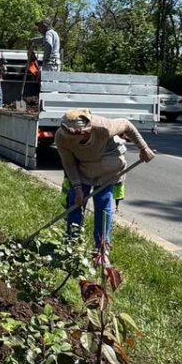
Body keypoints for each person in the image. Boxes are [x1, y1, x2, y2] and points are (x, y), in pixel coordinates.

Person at [54, 108, 155, 261]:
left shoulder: (102, 127)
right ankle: (71, 246)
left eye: (71, 137)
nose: (67, 140)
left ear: (84, 133)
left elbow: (126, 124)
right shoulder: (61, 138)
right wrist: (77, 187)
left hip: (108, 167)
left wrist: (143, 147)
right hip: (83, 168)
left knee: (103, 204)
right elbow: (69, 164)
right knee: (75, 201)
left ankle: (101, 250)